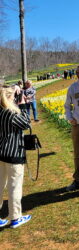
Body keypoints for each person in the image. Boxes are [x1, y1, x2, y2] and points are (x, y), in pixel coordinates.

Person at [0, 86, 32, 228]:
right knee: (14, 187)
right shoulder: (10, 113)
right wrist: (23, 104)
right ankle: (15, 217)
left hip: (1, 153)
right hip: (13, 153)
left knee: (0, 186)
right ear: (9, 98)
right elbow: (26, 123)